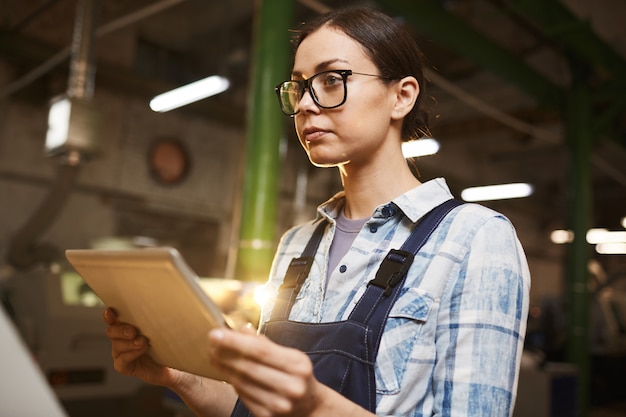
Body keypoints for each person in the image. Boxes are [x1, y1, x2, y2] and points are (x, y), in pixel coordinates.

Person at [103, 6, 530, 417]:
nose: (306, 104)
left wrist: (315, 406)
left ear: (401, 96)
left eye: (331, 80)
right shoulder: (297, 244)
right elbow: (253, 409)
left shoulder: (475, 239)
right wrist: (178, 376)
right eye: (299, 87)